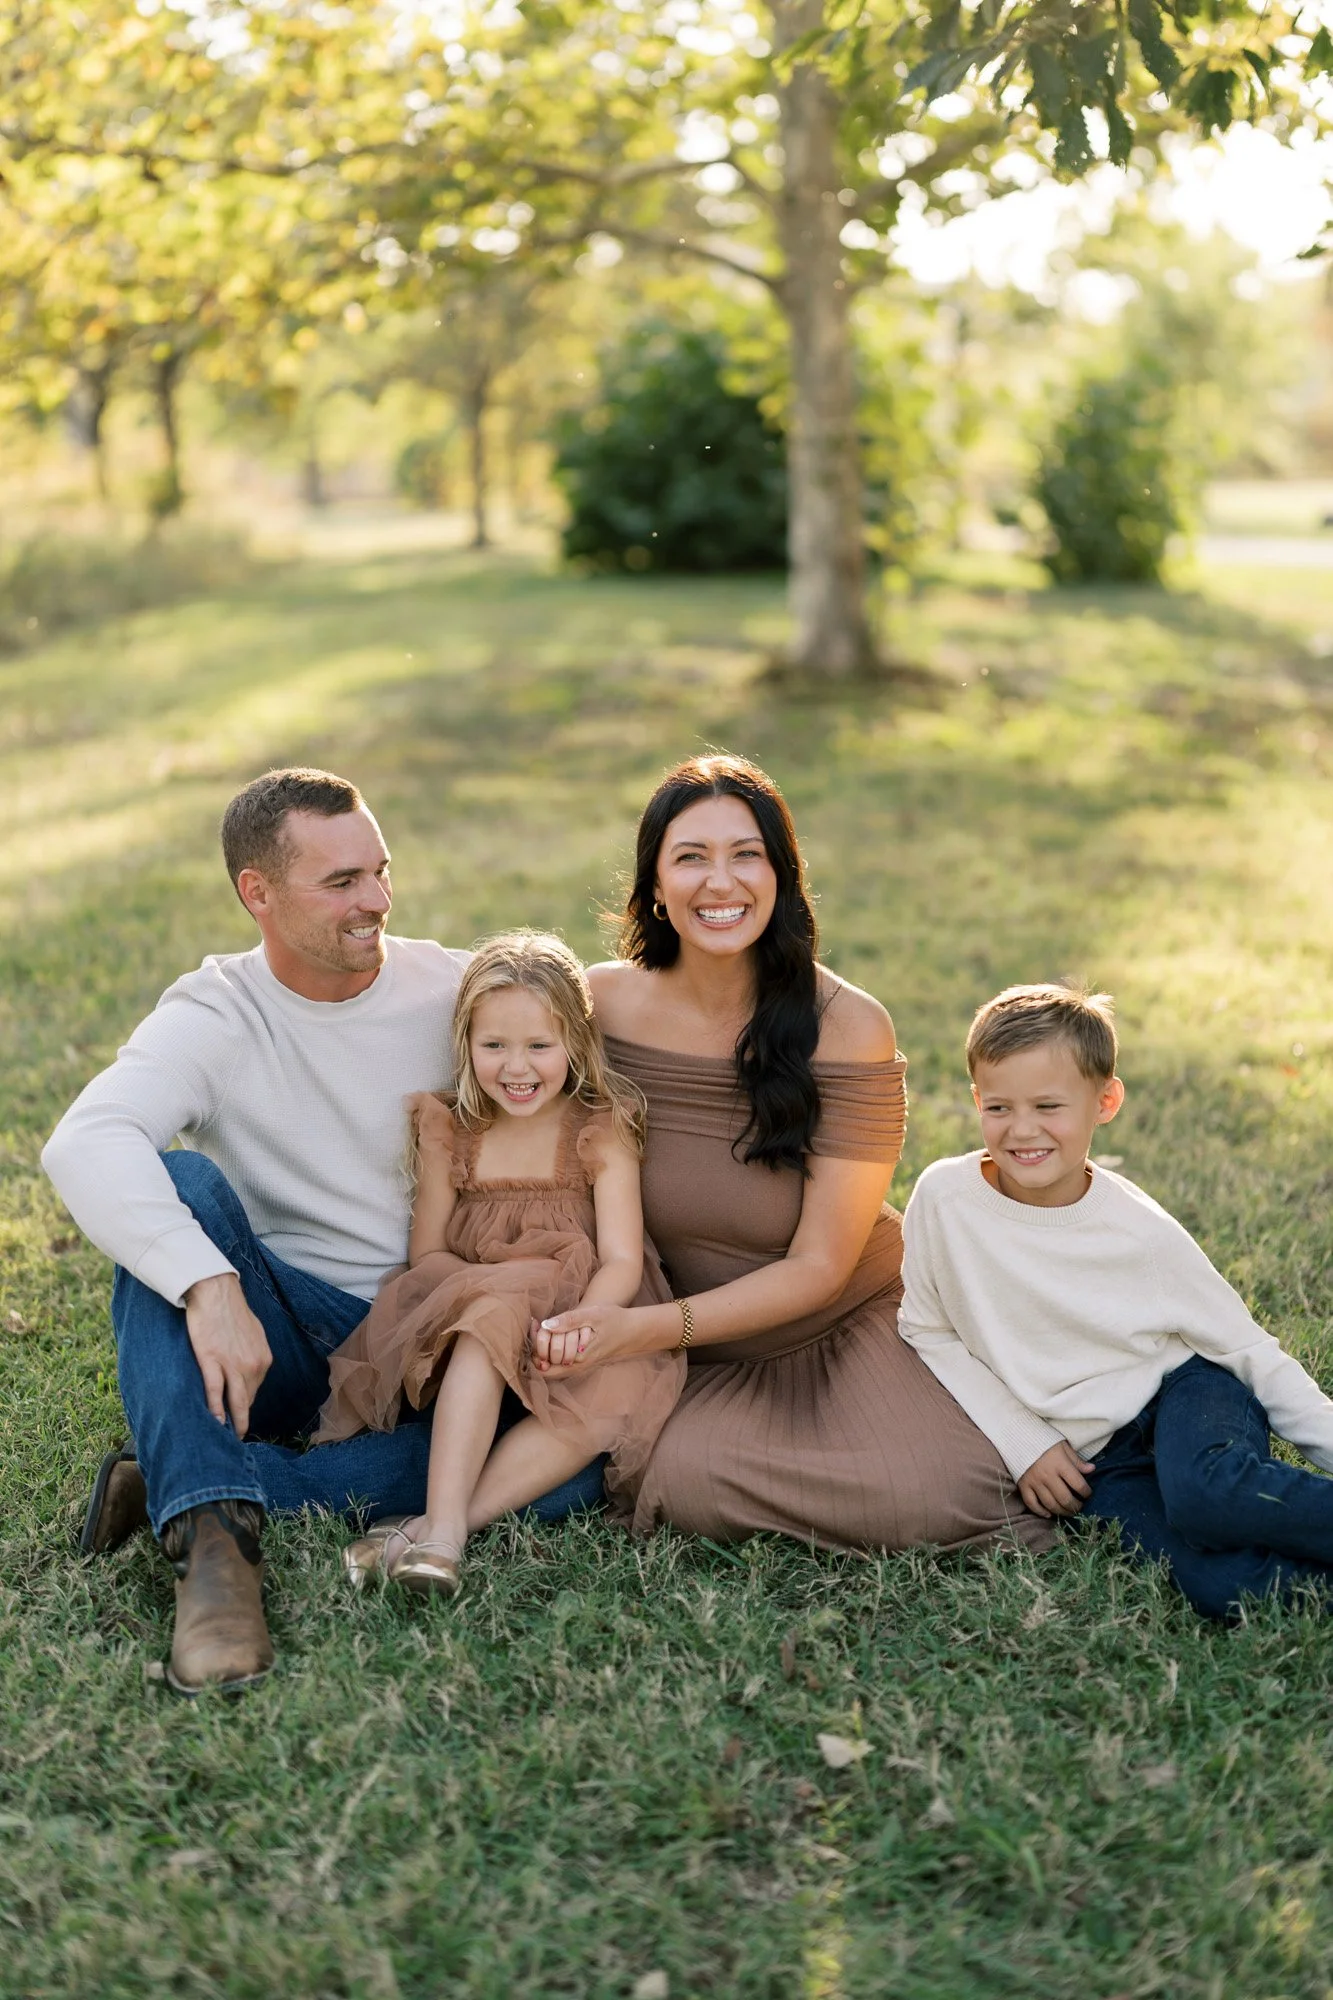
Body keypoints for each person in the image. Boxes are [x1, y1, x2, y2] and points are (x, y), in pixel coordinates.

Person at [41, 769, 604, 1696]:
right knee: (177, 1186)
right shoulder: (218, 1012)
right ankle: (217, 1558)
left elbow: (583, 1021)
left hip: (438, 1337)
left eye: (380, 872)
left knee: (568, 1473)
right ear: (255, 893)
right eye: (341, 883)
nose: (376, 900)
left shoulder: (456, 991)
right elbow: (86, 1141)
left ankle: (193, 1477)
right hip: (282, 1343)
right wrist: (207, 1284)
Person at [532, 753, 1052, 1555]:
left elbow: (819, 1268)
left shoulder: (846, 1024)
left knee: (930, 1492)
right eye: (690, 858)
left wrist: (638, 1331)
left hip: (846, 1318)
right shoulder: (600, 1004)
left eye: (747, 855)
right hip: (690, 1349)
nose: (721, 882)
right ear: (655, 886)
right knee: (683, 1479)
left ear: (781, 876)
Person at [897, 982, 1333, 1620]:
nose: (1022, 1131)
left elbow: (1247, 1351)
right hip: (1097, 1460)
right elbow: (927, 1330)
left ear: (1106, 1101)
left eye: (1049, 1105)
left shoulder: (1140, 1232)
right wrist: (1026, 1443)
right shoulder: (944, 1200)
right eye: (998, 1108)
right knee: (1219, 1588)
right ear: (975, 1101)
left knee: (1205, 1495)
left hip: (1186, 1391)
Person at [320, 932, 683, 1595]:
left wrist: (587, 1320)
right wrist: (492, 1291)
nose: (517, 1068)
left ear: (574, 1042)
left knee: (610, 1395)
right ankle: (443, 1533)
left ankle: (435, 1531)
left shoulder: (599, 1127)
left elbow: (622, 1257)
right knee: (489, 1318)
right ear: (466, 1045)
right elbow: (427, 1253)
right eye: (494, 1047)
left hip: (576, 1309)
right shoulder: (449, 1131)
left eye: (539, 1046)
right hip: (476, 1318)